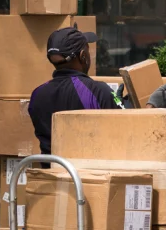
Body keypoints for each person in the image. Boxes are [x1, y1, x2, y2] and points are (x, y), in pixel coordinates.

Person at [27, 26, 123, 154]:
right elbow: (123, 130)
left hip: (51, 171)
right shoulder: (99, 91)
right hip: (89, 172)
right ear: (83, 56)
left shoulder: (37, 95)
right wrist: (121, 101)